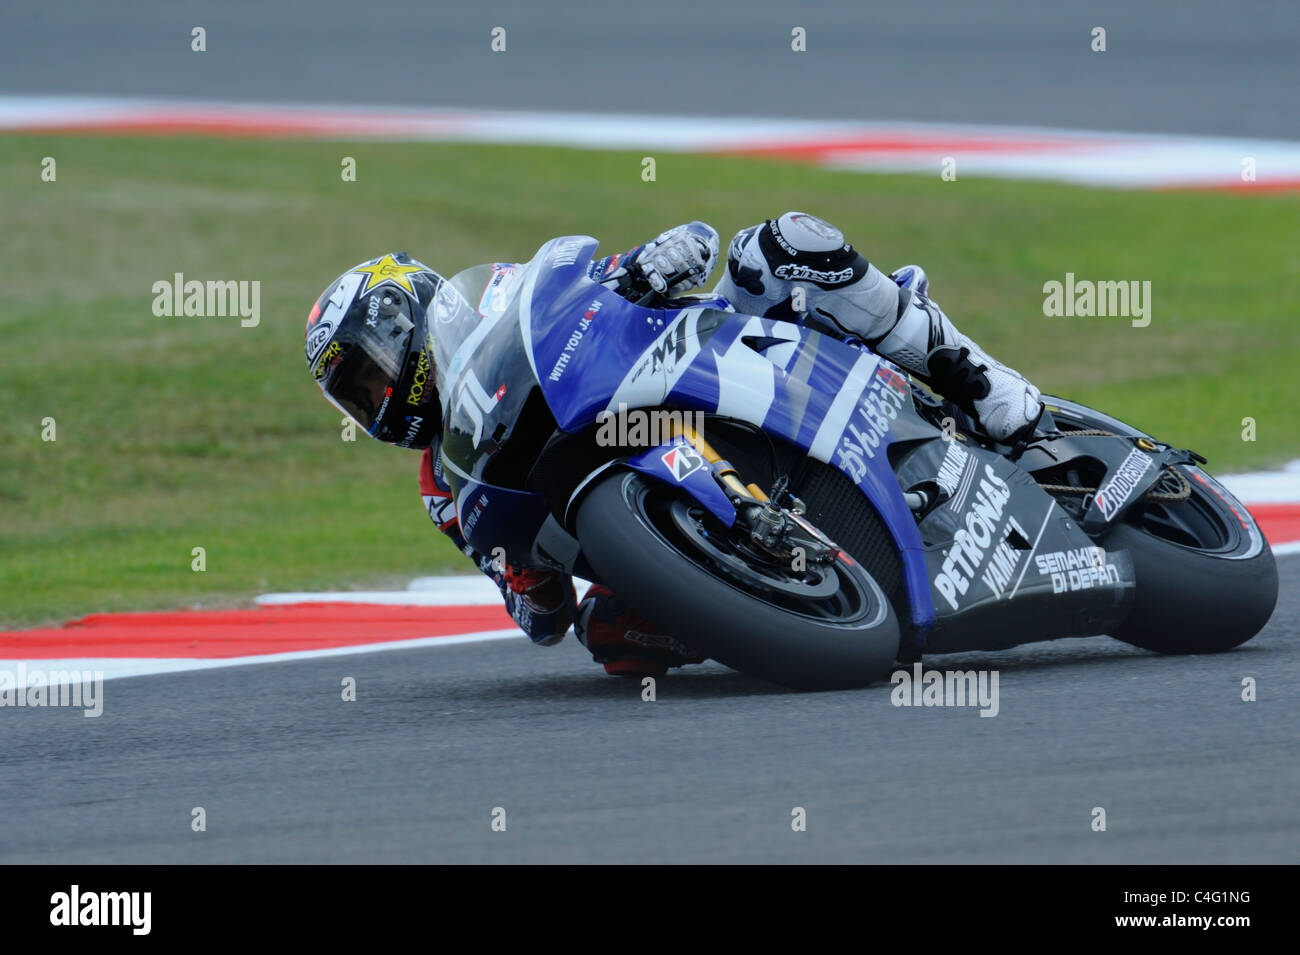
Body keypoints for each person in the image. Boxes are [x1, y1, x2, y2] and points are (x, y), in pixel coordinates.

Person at [304, 212, 1043, 676]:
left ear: (407, 325)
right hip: (623, 461)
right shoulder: (444, 484)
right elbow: (539, 613)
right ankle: (765, 597)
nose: (372, 401)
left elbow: (629, 271)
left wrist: (650, 263)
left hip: (702, 364)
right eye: (355, 396)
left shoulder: (503, 294)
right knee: (613, 635)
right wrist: (525, 583)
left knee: (780, 247)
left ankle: (986, 384)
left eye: (369, 375)